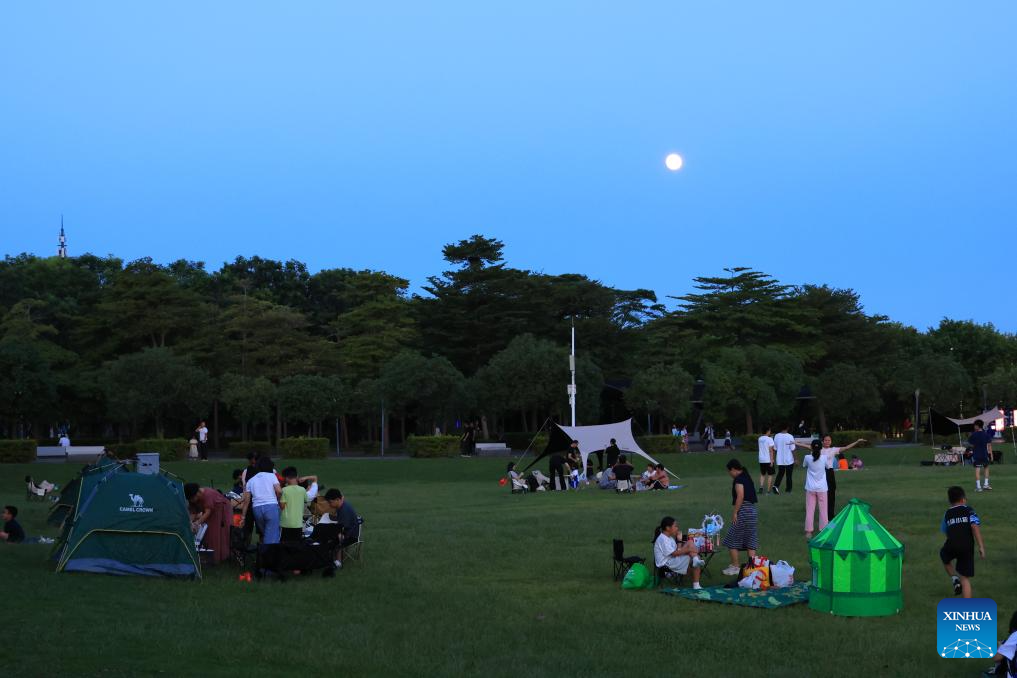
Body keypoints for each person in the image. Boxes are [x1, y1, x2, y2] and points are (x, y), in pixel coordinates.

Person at [794, 434, 866, 521]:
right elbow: (806, 446)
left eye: (829, 440)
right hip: (821, 473)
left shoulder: (833, 449)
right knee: (822, 494)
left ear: (831, 441)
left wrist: (857, 441)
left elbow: (846, 447)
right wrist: (795, 443)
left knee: (831, 494)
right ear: (822, 441)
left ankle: (830, 515)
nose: (827, 442)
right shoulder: (818, 448)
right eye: (826, 440)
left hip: (830, 472)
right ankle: (823, 515)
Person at [940, 485, 985, 598]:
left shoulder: (947, 513)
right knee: (964, 578)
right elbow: (974, 526)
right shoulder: (969, 510)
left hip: (952, 544)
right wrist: (981, 546)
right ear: (963, 499)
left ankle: (955, 579)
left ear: (950, 501)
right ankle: (967, 606)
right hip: (967, 546)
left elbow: (946, 531)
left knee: (944, 555)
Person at [721, 459, 758, 575]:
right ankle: (752, 567)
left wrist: (735, 512)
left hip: (743, 511)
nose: (730, 474)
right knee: (750, 540)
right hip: (752, 511)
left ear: (733, 469)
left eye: (729, 472)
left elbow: (740, 496)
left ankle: (735, 566)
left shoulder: (739, 479)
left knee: (731, 539)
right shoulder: (747, 477)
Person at [184, 483, 231, 563]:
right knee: (206, 532)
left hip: (220, 511)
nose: (191, 501)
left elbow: (207, 512)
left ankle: (217, 557)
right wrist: (190, 523)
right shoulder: (193, 498)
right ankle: (205, 556)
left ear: (197, 493)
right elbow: (193, 512)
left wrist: (197, 523)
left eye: (192, 498)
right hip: (209, 512)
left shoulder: (208, 495)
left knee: (214, 532)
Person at [653, 516, 704, 589]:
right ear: (668, 528)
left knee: (690, 542)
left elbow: (678, 551)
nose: (677, 528)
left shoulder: (669, 538)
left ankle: (695, 560)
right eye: (675, 526)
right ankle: (696, 585)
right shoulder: (663, 539)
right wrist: (689, 550)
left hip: (672, 559)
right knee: (694, 558)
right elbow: (674, 553)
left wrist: (679, 540)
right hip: (666, 563)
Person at [242, 455, 282, 545]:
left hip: (256, 509)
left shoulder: (251, 481)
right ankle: (269, 552)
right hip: (271, 507)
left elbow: (246, 501)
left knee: (266, 533)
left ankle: (263, 550)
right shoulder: (271, 476)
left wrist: (243, 517)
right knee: (272, 535)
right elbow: (279, 491)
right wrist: (278, 500)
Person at [324, 488, 359, 566]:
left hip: (351, 535)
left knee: (329, 540)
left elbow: (343, 531)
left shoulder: (344, 510)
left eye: (330, 502)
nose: (329, 505)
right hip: (348, 532)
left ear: (337, 499)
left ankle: (337, 562)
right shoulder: (341, 505)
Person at [802, 440, 829, 540]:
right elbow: (827, 466)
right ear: (821, 448)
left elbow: (804, 465)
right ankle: (824, 530)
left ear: (811, 448)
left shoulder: (807, 457)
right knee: (823, 510)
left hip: (810, 488)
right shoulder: (824, 457)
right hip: (822, 488)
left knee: (810, 510)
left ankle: (809, 532)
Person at [279, 467, 310, 542]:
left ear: (286, 478)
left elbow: (282, 506)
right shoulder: (302, 490)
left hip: (286, 523)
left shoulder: (284, 490)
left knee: (285, 544)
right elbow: (306, 500)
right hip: (298, 523)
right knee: (296, 544)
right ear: (297, 476)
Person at [969, 419, 993, 492]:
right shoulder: (986, 434)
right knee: (986, 468)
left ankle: (978, 487)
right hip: (985, 454)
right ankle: (986, 484)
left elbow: (971, 444)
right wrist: (991, 455)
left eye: (974, 425)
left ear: (977, 426)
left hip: (976, 455)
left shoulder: (973, 435)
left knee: (977, 470)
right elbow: (989, 446)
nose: (974, 427)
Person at [991, 610, 1017, 678]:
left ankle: (997, 672)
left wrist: (999, 646)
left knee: (1005, 653)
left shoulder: (1015, 636)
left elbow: (996, 658)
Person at [772, 423, 796, 494]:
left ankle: (775, 486)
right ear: (787, 428)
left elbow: (775, 449)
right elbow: (793, 449)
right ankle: (788, 490)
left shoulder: (776, 436)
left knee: (780, 473)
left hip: (780, 459)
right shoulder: (790, 436)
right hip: (789, 459)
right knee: (789, 475)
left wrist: (773, 458)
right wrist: (795, 459)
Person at [756, 426, 776, 494]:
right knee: (770, 475)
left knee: (763, 474)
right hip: (768, 459)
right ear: (767, 431)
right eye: (770, 430)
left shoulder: (760, 439)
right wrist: (772, 460)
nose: (770, 432)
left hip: (761, 459)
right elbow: (771, 450)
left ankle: (761, 488)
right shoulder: (770, 439)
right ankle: (768, 491)